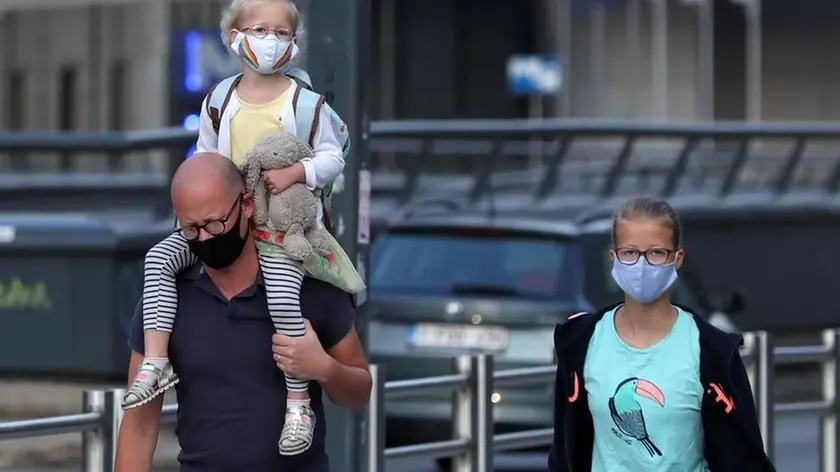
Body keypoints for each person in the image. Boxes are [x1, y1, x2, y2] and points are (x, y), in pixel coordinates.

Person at [122, 0, 364, 457]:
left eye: (280, 32)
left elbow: (335, 155)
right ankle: (155, 364)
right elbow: (206, 157)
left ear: (295, 41)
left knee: (282, 293)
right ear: (234, 36)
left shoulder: (306, 105)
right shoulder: (219, 100)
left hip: (283, 227)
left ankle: (297, 405)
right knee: (158, 257)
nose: (269, 41)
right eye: (258, 29)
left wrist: (321, 368)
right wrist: (205, 200)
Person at [114, 153, 371, 472]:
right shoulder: (166, 299)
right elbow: (139, 427)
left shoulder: (308, 288)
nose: (205, 238)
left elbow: (359, 393)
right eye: (191, 229)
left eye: (215, 223)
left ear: (247, 206)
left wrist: (324, 368)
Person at [549, 196, 775, 472]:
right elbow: (563, 451)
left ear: (677, 258)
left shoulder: (711, 350)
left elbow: (744, 457)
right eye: (630, 252)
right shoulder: (582, 342)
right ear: (614, 257)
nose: (642, 266)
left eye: (656, 253)